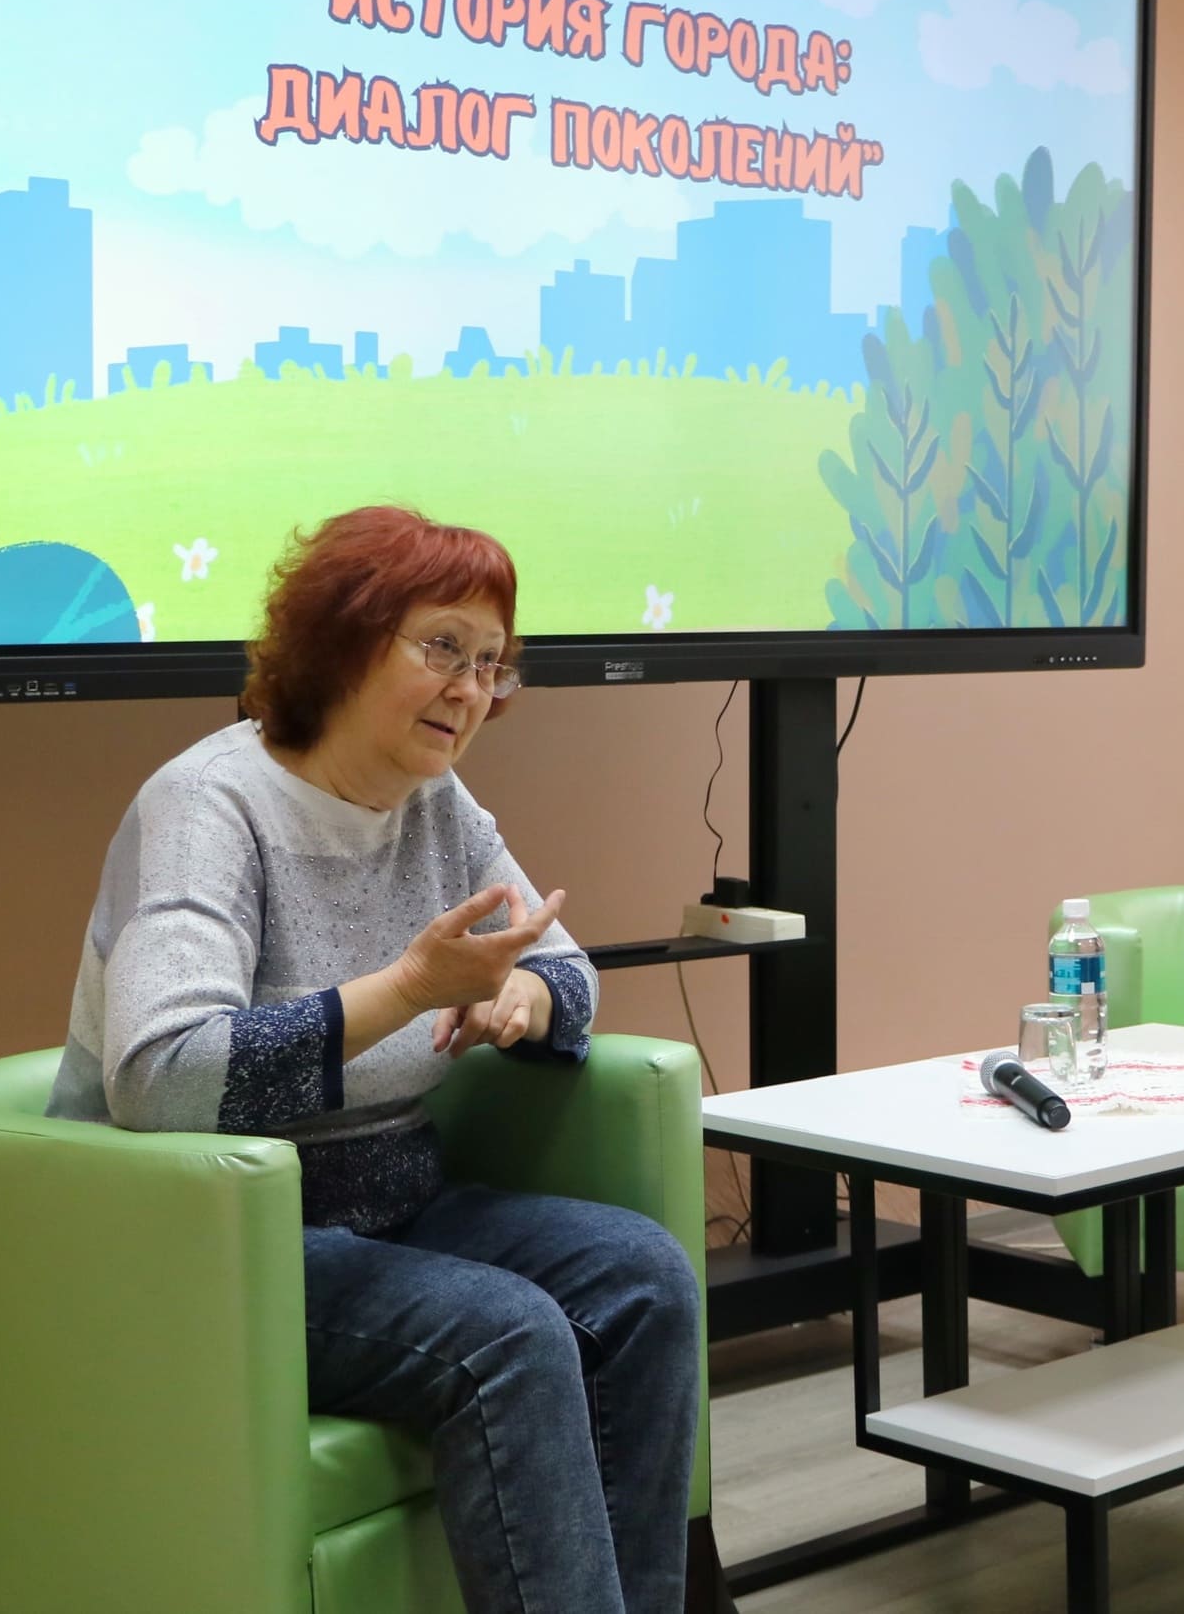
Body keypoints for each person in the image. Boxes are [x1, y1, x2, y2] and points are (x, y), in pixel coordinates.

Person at [46, 506, 697, 1614]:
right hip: (219, 1239)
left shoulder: (438, 803)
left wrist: (526, 996)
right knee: (509, 1331)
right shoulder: (208, 804)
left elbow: (565, 966)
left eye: (490, 664)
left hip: (397, 1202)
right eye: (442, 647)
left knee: (646, 1276)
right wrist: (407, 989)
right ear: (344, 639)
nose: (470, 689)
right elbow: (161, 1074)